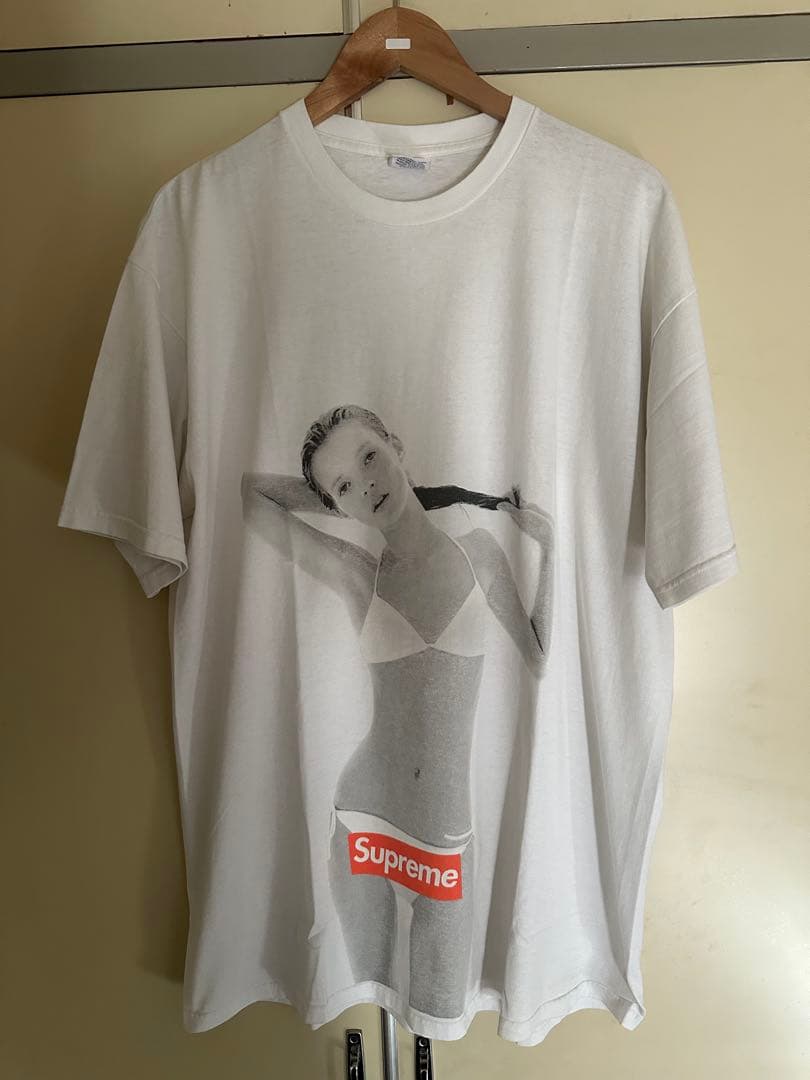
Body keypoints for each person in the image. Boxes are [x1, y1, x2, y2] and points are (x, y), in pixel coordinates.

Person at [241, 403, 554, 1017]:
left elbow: (538, 656)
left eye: (370, 458)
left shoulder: (480, 555)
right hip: (365, 819)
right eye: (344, 486)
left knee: (439, 1015)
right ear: (336, 506)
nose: (366, 484)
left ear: (396, 445)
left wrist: (551, 549)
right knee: (373, 1005)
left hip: (446, 838)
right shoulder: (357, 573)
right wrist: (336, 502)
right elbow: (255, 497)